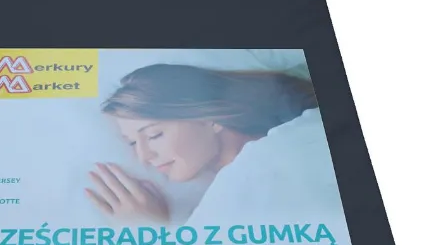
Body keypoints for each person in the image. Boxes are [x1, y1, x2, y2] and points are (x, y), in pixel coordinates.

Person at [84, 63, 323, 224]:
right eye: (132, 143)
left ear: (210, 118)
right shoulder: (226, 192)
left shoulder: (272, 166)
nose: (144, 157)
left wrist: (154, 236)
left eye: (155, 135)